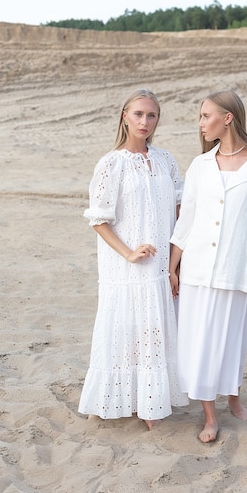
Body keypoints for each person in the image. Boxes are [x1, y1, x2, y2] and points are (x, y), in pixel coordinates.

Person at [169, 89, 247, 443]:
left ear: (228, 118)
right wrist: (173, 267)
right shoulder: (200, 166)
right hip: (198, 269)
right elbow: (185, 221)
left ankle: (234, 397)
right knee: (201, 341)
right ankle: (209, 416)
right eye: (201, 117)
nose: (201, 123)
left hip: (236, 266)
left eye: (207, 116)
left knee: (232, 337)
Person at [78, 89, 188, 430]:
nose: (145, 121)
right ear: (125, 116)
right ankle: (110, 401)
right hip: (125, 268)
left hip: (160, 268)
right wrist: (128, 252)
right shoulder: (111, 163)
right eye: (138, 114)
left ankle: (152, 405)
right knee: (123, 328)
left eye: (151, 115)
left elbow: (181, 209)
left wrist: (175, 264)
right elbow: (99, 219)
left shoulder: (167, 159)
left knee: (155, 329)